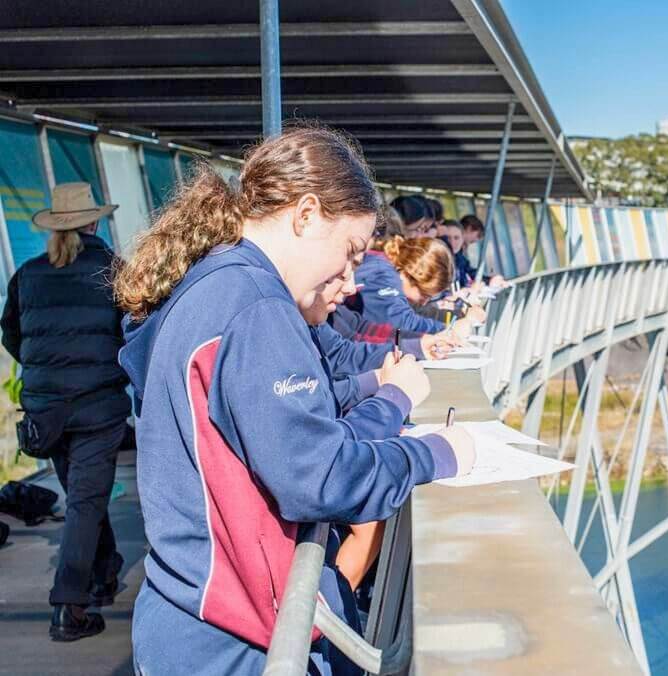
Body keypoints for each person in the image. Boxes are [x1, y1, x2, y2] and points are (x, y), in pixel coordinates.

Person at [113, 127, 475, 676]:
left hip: (186, 619)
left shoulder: (214, 282)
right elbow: (318, 476)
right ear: (306, 215)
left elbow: (290, 439)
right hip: (233, 637)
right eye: (350, 252)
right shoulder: (256, 305)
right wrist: (439, 455)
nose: (351, 281)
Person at [0, 182, 130, 641]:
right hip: (97, 406)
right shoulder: (113, 271)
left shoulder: (28, 275)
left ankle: (105, 571)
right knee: (84, 498)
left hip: (45, 410)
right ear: (94, 221)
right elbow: (134, 332)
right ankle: (69, 608)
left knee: (83, 494)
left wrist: (46, 370)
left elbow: (11, 336)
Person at [355, 236, 473, 335]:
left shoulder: (383, 268)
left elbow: (413, 314)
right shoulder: (382, 275)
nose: (424, 302)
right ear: (409, 274)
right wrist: (447, 329)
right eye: (424, 295)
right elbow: (399, 322)